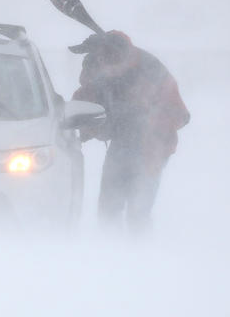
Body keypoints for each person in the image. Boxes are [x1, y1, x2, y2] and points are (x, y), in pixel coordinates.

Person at [70, 31, 190, 231]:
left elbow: (179, 114)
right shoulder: (102, 71)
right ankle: (110, 252)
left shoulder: (150, 71)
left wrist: (144, 119)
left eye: (105, 61)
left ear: (120, 57)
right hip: (121, 142)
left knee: (138, 210)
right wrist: (78, 129)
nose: (104, 68)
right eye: (98, 61)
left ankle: (139, 254)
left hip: (152, 148)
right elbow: (84, 101)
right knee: (109, 207)